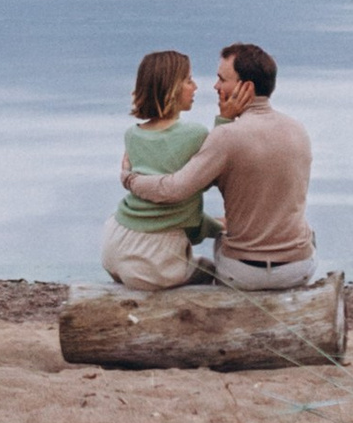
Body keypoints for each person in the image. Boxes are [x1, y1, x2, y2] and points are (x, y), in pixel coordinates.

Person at [115, 41, 318, 288]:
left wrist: (130, 178)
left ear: (246, 87)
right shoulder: (298, 130)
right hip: (298, 270)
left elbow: (174, 190)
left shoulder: (226, 137)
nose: (215, 86)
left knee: (224, 239)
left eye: (222, 79)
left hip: (242, 273)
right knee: (304, 229)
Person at [98, 48, 219, 290]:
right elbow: (192, 208)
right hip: (153, 259)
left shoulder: (132, 135)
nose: (195, 87)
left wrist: (214, 225)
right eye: (188, 80)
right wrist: (220, 229)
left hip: (114, 242)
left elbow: (162, 205)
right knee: (214, 271)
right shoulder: (194, 134)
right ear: (171, 87)